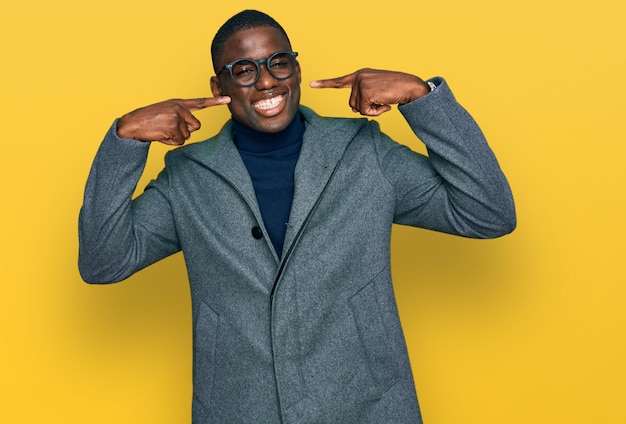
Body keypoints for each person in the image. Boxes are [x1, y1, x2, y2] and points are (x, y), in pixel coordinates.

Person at [78, 9, 516, 424]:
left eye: (279, 63)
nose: (266, 81)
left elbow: (488, 212)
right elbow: (104, 263)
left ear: (297, 70)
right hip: (241, 408)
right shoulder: (189, 178)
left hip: (367, 404)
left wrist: (422, 99)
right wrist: (123, 141)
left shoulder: (364, 152)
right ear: (219, 87)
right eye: (245, 70)